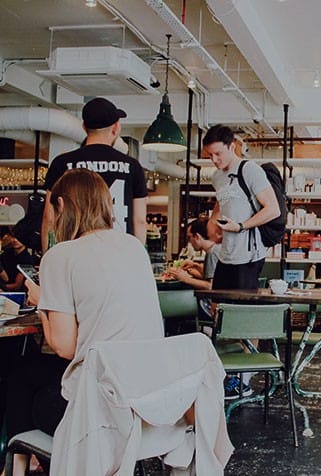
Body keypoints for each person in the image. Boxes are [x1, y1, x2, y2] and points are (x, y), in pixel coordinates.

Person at [3, 169, 164, 476]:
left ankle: (20, 465)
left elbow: (64, 347)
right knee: (30, 374)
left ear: (61, 206)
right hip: (146, 401)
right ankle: (30, 462)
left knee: (23, 378)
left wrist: (42, 305)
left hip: (100, 416)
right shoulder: (133, 247)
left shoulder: (61, 256)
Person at [41, 97, 148, 252]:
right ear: (115, 128)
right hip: (119, 252)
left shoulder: (62, 163)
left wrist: (48, 258)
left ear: (84, 127)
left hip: (75, 252)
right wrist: (138, 258)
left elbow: (49, 217)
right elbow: (139, 221)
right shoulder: (132, 167)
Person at [203, 124, 280, 290]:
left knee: (240, 310)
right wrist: (213, 220)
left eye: (218, 154)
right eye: (210, 155)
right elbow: (222, 200)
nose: (214, 160)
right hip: (225, 254)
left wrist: (240, 226)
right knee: (218, 306)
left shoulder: (250, 170)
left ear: (232, 147)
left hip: (249, 256)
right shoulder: (217, 177)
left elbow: (273, 209)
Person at [0, 224, 36, 291]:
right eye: (13, 237)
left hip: (18, 294)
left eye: (19, 238)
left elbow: (17, 286)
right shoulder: (6, 253)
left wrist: (2, 287)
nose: (15, 240)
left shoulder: (27, 259)